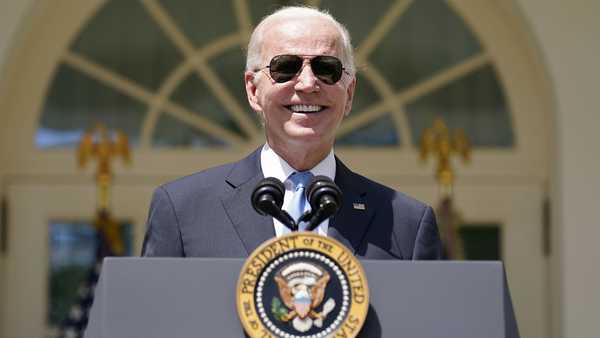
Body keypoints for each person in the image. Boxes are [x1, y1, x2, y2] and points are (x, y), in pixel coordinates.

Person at [142, 6, 442, 260]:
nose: (307, 83)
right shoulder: (182, 210)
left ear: (349, 94)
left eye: (327, 68)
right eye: (286, 67)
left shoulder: (407, 224)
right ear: (252, 90)